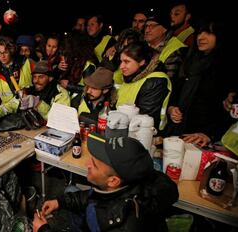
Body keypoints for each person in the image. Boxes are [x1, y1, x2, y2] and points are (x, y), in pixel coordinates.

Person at [33, 134, 178, 232]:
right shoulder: (125, 186)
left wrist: (43, 229)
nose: (87, 163)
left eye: (94, 164)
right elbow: (94, 196)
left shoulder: (120, 224)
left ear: (113, 181)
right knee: (70, 191)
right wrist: (60, 202)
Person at [166, 20, 232, 145]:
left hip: (204, 138)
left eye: (208, 33)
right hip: (178, 132)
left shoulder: (226, 68)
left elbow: (228, 110)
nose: (201, 37)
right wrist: (171, 108)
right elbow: (175, 90)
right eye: (199, 33)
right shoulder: (188, 60)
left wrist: (209, 134)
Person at [117, 41, 171, 131]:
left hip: (144, 133)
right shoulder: (132, 76)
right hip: (124, 127)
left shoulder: (155, 81)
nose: (121, 66)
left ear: (142, 62)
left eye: (126, 62)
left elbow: (145, 118)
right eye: (121, 61)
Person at [0, 36, 34, 121]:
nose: (2, 56)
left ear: (11, 51)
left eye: (5, 52)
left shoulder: (23, 62)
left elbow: (34, 84)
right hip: (7, 111)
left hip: (27, 108)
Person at [144, 11, 186, 81]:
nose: (147, 30)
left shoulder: (175, 49)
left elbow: (167, 80)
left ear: (164, 28)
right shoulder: (142, 44)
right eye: (146, 26)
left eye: (152, 26)